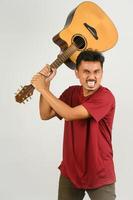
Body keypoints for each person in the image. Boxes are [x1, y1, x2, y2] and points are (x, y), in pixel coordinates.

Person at [31, 50, 116, 200]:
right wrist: (47, 83)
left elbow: (69, 114)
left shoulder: (105, 97)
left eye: (97, 71)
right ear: (76, 73)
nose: (92, 77)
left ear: (102, 72)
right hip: (70, 172)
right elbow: (45, 114)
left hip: (99, 173)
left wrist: (42, 88)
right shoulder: (71, 92)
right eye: (86, 72)